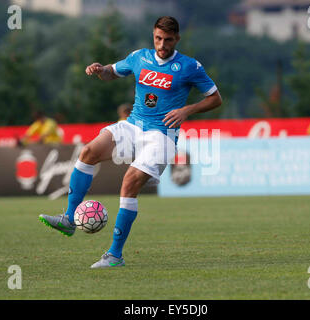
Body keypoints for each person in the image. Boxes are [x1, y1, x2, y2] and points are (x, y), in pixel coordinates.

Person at [39, 16, 222, 268]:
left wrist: (187, 110)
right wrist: (99, 69)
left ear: (176, 39)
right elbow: (112, 72)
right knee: (88, 151)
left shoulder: (189, 66)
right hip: (133, 125)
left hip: (162, 136)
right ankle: (69, 219)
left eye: (168, 40)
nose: (162, 44)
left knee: (129, 183)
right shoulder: (139, 57)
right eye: (158, 38)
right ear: (153, 35)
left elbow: (215, 98)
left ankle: (114, 255)